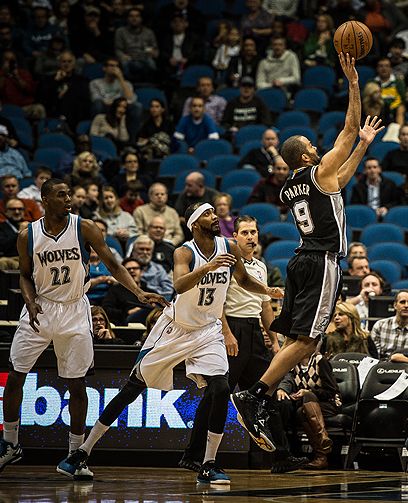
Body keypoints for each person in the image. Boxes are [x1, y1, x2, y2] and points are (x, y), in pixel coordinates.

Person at [65, 202, 282, 484]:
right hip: (176, 329)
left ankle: (209, 464)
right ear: (194, 223)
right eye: (207, 214)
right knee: (132, 389)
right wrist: (209, 267)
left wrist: (266, 289)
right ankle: (82, 451)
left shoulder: (229, 247)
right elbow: (179, 286)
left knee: (221, 387)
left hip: (208, 330)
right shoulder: (184, 251)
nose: (214, 217)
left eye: (214, 212)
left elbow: (243, 280)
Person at [230, 54, 383, 454]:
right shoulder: (318, 171)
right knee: (308, 341)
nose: (319, 147)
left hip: (299, 260)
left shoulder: (292, 186)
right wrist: (352, 82)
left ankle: (259, 393)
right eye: (314, 147)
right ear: (305, 157)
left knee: (305, 341)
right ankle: (256, 394)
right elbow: (348, 129)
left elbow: (343, 175)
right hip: (321, 261)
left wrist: (363, 148)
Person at [0, 178, 168, 479]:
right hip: (40, 307)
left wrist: (139, 293)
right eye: (62, 195)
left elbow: (115, 265)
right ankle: (10, 444)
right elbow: (24, 275)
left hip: (75, 309)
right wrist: (29, 301)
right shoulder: (28, 234)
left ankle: (75, 454)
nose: (69, 199)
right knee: (15, 376)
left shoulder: (85, 227)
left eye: (70, 194)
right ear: (45, 199)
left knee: (77, 384)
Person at [181, 214, 307, 474]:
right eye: (245, 232)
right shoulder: (227, 263)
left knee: (264, 396)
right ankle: (192, 455)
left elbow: (264, 306)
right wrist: (227, 334)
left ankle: (282, 456)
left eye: (254, 232)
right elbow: (218, 303)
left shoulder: (261, 267)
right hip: (231, 331)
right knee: (217, 394)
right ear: (234, 237)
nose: (251, 237)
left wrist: (274, 340)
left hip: (255, 333)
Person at [274, 351, 341, 470]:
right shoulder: (292, 364)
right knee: (301, 412)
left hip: (328, 403)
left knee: (308, 397)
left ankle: (322, 442)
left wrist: (309, 392)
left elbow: (331, 391)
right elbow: (288, 382)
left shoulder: (320, 361)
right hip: (305, 407)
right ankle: (321, 454)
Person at [89, 57, 142, 141]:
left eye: (117, 66)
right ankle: (97, 138)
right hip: (106, 108)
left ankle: (131, 142)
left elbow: (132, 99)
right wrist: (117, 104)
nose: (114, 68)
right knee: (98, 103)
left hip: (122, 109)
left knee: (137, 106)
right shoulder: (95, 83)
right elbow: (96, 99)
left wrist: (121, 78)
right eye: (111, 65)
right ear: (104, 68)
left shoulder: (126, 83)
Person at [371, 289, 408, 360]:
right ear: (395, 305)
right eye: (402, 302)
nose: (406, 305)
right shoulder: (380, 326)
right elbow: (374, 356)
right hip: (383, 367)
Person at [113, 8, 158, 82]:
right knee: (124, 63)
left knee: (151, 63)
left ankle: (152, 85)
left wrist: (154, 53)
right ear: (127, 18)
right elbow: (118, 49)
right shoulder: (120, 32)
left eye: (137, 16)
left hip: (144, 58)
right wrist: (122, 56)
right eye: (131, 16)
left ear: (141, 19)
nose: (134, 19)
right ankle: (125, 83)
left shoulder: (149, 32)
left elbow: (155, 49)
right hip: (129, 58)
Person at [129, 235, 173, 299]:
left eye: (148, 250)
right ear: (134, 251)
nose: (145, 252)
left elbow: (168, 290)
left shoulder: (158, 268)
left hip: (158, 301)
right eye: (141, 249)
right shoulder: (129, 269)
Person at [0, 197, 28, 269]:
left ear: (24, 211)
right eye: (13, 209)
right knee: (2, 262)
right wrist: (19, 233)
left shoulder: (30, 226)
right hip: (10, 259)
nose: (17, 212)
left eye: (20, 209)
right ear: (5, 211)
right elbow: (1, 246)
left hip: (28, 259)